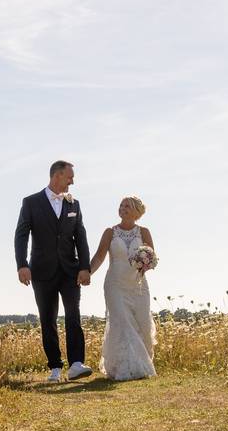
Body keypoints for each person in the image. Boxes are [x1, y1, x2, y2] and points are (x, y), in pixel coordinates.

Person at [14, 160, 93, 382]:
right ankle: (55, 368)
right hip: (41, 270)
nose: (73, 181)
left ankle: (76, 364)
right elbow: (21, 235)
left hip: (70, 270)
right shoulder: (30, 203)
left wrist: (84, 268)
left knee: (73, 315)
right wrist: (22, 265)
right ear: (57, 176)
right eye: (70, 177)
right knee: (47, 319)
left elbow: (81, 237)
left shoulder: (74, 204)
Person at [88, 196, 157, 380]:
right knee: (122, 323)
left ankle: (142, 362)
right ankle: (123, 369)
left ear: (136, 211)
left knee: (142, 323)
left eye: (127, 206)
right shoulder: (110, 233)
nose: (123, 208)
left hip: (138, 285)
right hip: (115, 285)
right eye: (121, 205)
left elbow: (152, 257)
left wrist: (145, 262)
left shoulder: (144, 232)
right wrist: (87, 273)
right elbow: (99, 257)